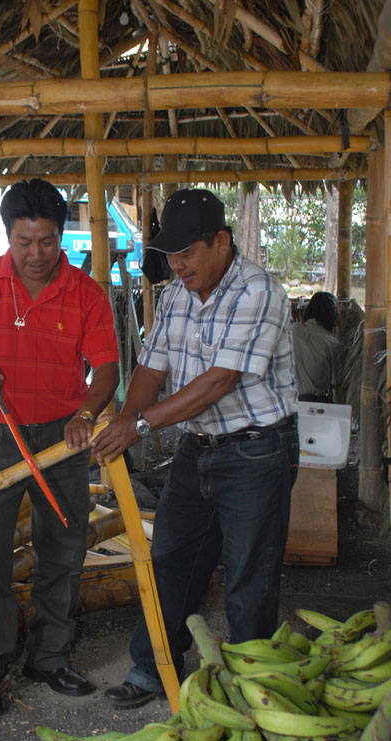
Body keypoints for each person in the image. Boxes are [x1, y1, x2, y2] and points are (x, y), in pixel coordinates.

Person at [92, 188, 299, 709]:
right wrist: (122, 422)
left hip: (257, 450)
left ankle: (250, 687)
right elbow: (150, 368)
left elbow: (219, 381)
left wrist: (138, 425)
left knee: (249, 572)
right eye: (170, 256)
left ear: (222, 242)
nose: (177, 266)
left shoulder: (258, 290)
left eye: (187, 253)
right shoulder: (176, 296)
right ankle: (151, 665)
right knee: (171, 558)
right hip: (197, 448)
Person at [0, 178, 120, 717]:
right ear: (8, 236)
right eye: (23, 242)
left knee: (63, 546)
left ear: (62, 235)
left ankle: (50, 658)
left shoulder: (86, 293)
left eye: (47, 242)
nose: (36, 255)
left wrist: (85, 414)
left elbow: (107, 366)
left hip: (64, 434)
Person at [292, 291, 342, 401]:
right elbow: (335, 383)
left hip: (287, 399)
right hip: (316, 403)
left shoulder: (292, 330)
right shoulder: (332, 344)